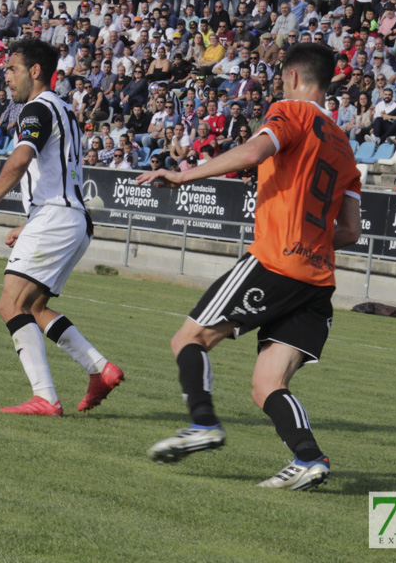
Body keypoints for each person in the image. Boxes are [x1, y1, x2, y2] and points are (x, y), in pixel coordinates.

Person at [135, 43, 362, 490]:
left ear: (294, 78)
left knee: (189, 339)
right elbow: (351, 232)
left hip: (276, 261)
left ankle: (203, 424)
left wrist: (181, 175)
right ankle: (309, 459)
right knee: (267, 384)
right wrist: (312, 242)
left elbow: (254, 153)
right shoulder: (344, 146)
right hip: (317, 281)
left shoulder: (291, 111)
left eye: (282, 79)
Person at [0, 39, 124, 417]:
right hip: (70, 219)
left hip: (57, 218)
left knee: (10, 303)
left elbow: (21, 159)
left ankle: (45, 397)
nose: (6, 77)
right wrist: (30, 222)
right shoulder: (64, 109)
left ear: (35, 71)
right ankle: (100, 368)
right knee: (34, 307)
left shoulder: (35, 108)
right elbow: (56, 175)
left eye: (12, 69)